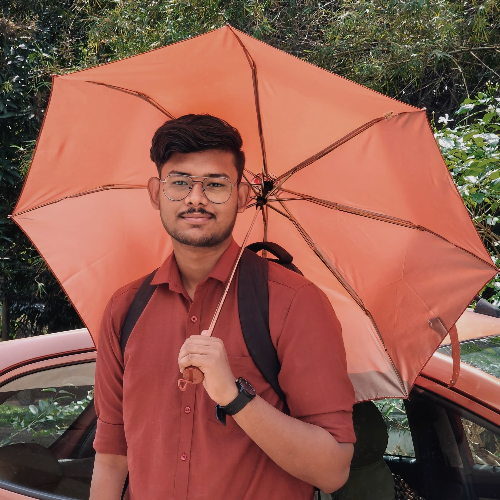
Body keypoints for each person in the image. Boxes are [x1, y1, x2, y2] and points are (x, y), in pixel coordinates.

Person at [89, 114, 356, 500]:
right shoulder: (125, 308)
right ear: (155, 192)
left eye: (215, 184)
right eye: (179, 183)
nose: (195, 198)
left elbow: (332, 471)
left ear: (243, 195)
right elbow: (112, 457)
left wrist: (235, 396)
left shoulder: (293, 302)